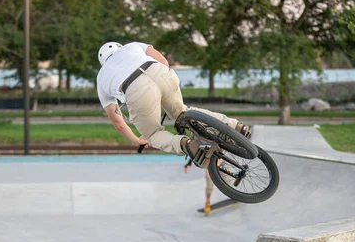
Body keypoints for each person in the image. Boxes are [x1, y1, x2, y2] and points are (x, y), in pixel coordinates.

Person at [95, 41, 251, 167]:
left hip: (136, 90)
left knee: (153, 134)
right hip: (161, 72)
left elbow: (118, 123)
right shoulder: (133, 46)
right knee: (183, 113)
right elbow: (163, 61)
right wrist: (162, 91)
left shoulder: (101, 78)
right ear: (119, 48)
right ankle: (234, 126)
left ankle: (185, 144)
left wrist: (137, 140)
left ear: (103, 62)